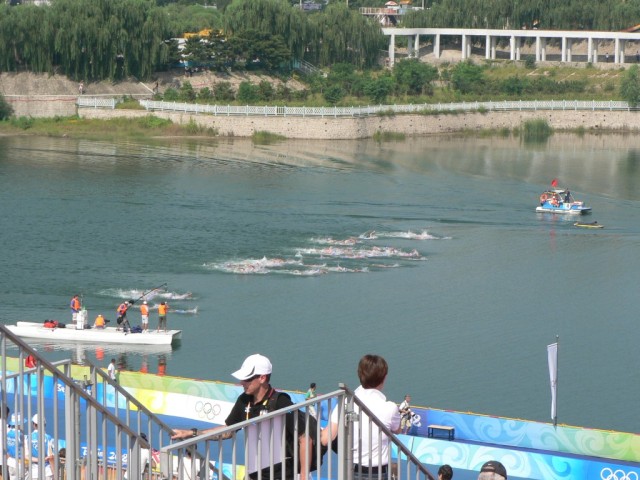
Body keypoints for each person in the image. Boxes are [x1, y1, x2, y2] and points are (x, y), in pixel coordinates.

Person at [171, 354, 315, 480]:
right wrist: (194, 433)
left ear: (262, 378)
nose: (242, 383)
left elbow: (304, 439)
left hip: (281, 474)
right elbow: (228, 430)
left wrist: (303, 476)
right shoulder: (243, 400)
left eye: (247, 379)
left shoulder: (280, 402)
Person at [321, 354, 401, 475]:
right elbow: (397, 429)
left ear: (360, 375)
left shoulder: (345, 403)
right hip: (378, 472)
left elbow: (326, 439)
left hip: (350, 470)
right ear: (384, 378)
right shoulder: (390, 408)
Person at [28, 415, 55, 480]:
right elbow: (51, 457)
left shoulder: (28, 437)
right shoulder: (48, 438)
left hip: (33, 473)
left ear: (33, 424)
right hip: (47, 472)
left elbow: (27, 456)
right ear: (44, 425)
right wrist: (54, 473)